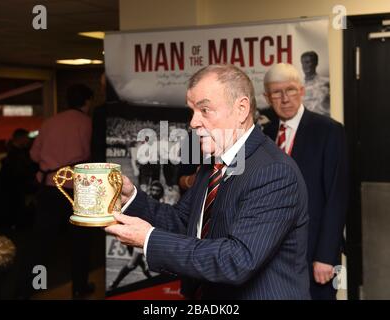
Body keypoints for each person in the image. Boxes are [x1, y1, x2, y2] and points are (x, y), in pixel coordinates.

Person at [105, 64, 310, 300]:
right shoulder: (212, 165)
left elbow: (236, 260)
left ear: (241, 109)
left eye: (204, 109)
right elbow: (184, 223)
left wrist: (149, 239)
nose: (193, 122)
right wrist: (131, 198)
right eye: (192, 111)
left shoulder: (274, 172)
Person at [262, 63, 348, 300]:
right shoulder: (263, 135)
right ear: (267, 97)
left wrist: (326, 255)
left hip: (314, 257)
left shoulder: (329, 131)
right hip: (269, 258)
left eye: (290, 90)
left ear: (302, 91)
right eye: (277, 92)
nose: (285, 98)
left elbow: (336, 197)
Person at [24, 84, 95, 299]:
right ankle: (79, 288)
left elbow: (34, 156)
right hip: (76, 190)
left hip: (48, 188)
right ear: (87, 101)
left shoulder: (50, 122)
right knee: (80, 243)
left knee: (41, 242)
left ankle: (33, 286)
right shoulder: (88, 123)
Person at [300, 51, 330, 117]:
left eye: (308, 62)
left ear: (315, 63)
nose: (305, 66)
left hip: (323, 122)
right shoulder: (298, 86)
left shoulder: (327, 83)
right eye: (303, 63)